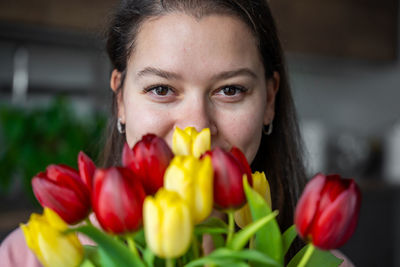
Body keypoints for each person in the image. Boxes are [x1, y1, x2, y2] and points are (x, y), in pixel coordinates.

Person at [0, 0, 353, 266]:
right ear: (120, 99)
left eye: (230, 90)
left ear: (269, 100)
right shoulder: (27, 256)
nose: (196, 126)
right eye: (161, 89)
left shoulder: (322, 263)